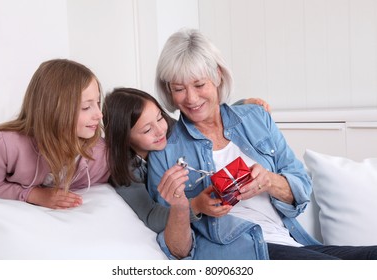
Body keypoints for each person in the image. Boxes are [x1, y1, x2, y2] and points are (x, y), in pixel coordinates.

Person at [147, 28, 377, 260]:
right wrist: (192, 206)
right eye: (178, 89)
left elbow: (302, 188)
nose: (191, 98)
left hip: (293, 242)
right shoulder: (164, 151)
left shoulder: (256, 118)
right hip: (244, 253)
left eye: (199, 85)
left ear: (217, 76)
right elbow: (176, 251)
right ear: (168, 90)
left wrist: (269, 181)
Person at [102, 87, 270, 233]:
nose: (160, 130)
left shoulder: (172, 130)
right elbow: (151, 216)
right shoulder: (125, 171)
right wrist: (195, 206)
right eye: (147, 130)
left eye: (160, 117)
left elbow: (206, 121)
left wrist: (242, 104)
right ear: (125, 137)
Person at [0, 59, 110, 209]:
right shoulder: (5, 145)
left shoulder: (99, 153)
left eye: (98, 103)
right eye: (86, 107)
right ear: (54, 109)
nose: (99, 114)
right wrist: (34, 194)